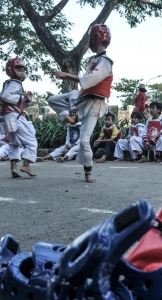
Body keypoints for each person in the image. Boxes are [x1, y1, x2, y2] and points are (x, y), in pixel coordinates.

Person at [48, 24, 112, 183]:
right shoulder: (93, 59)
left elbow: (90, 80)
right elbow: (86, 82)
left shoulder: (106, 61)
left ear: (95, 38)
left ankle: (88, 172)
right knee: (52, 100)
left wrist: (66, 75)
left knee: (84, 141)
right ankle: (67, 118)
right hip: (82, 98)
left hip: (95, 103)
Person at [0, 57, 38, 178]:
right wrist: (21, 97)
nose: (22, 72)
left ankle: (14, 168)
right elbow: (6, 97)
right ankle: (26, 165)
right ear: (11, 70)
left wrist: (26, 100)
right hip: (14, 117)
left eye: (23, 70)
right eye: (18, 69)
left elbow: (14, 103)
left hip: (5, 117)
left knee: (14, 143)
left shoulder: (7, 84)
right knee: (31, 142)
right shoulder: (15, 83)